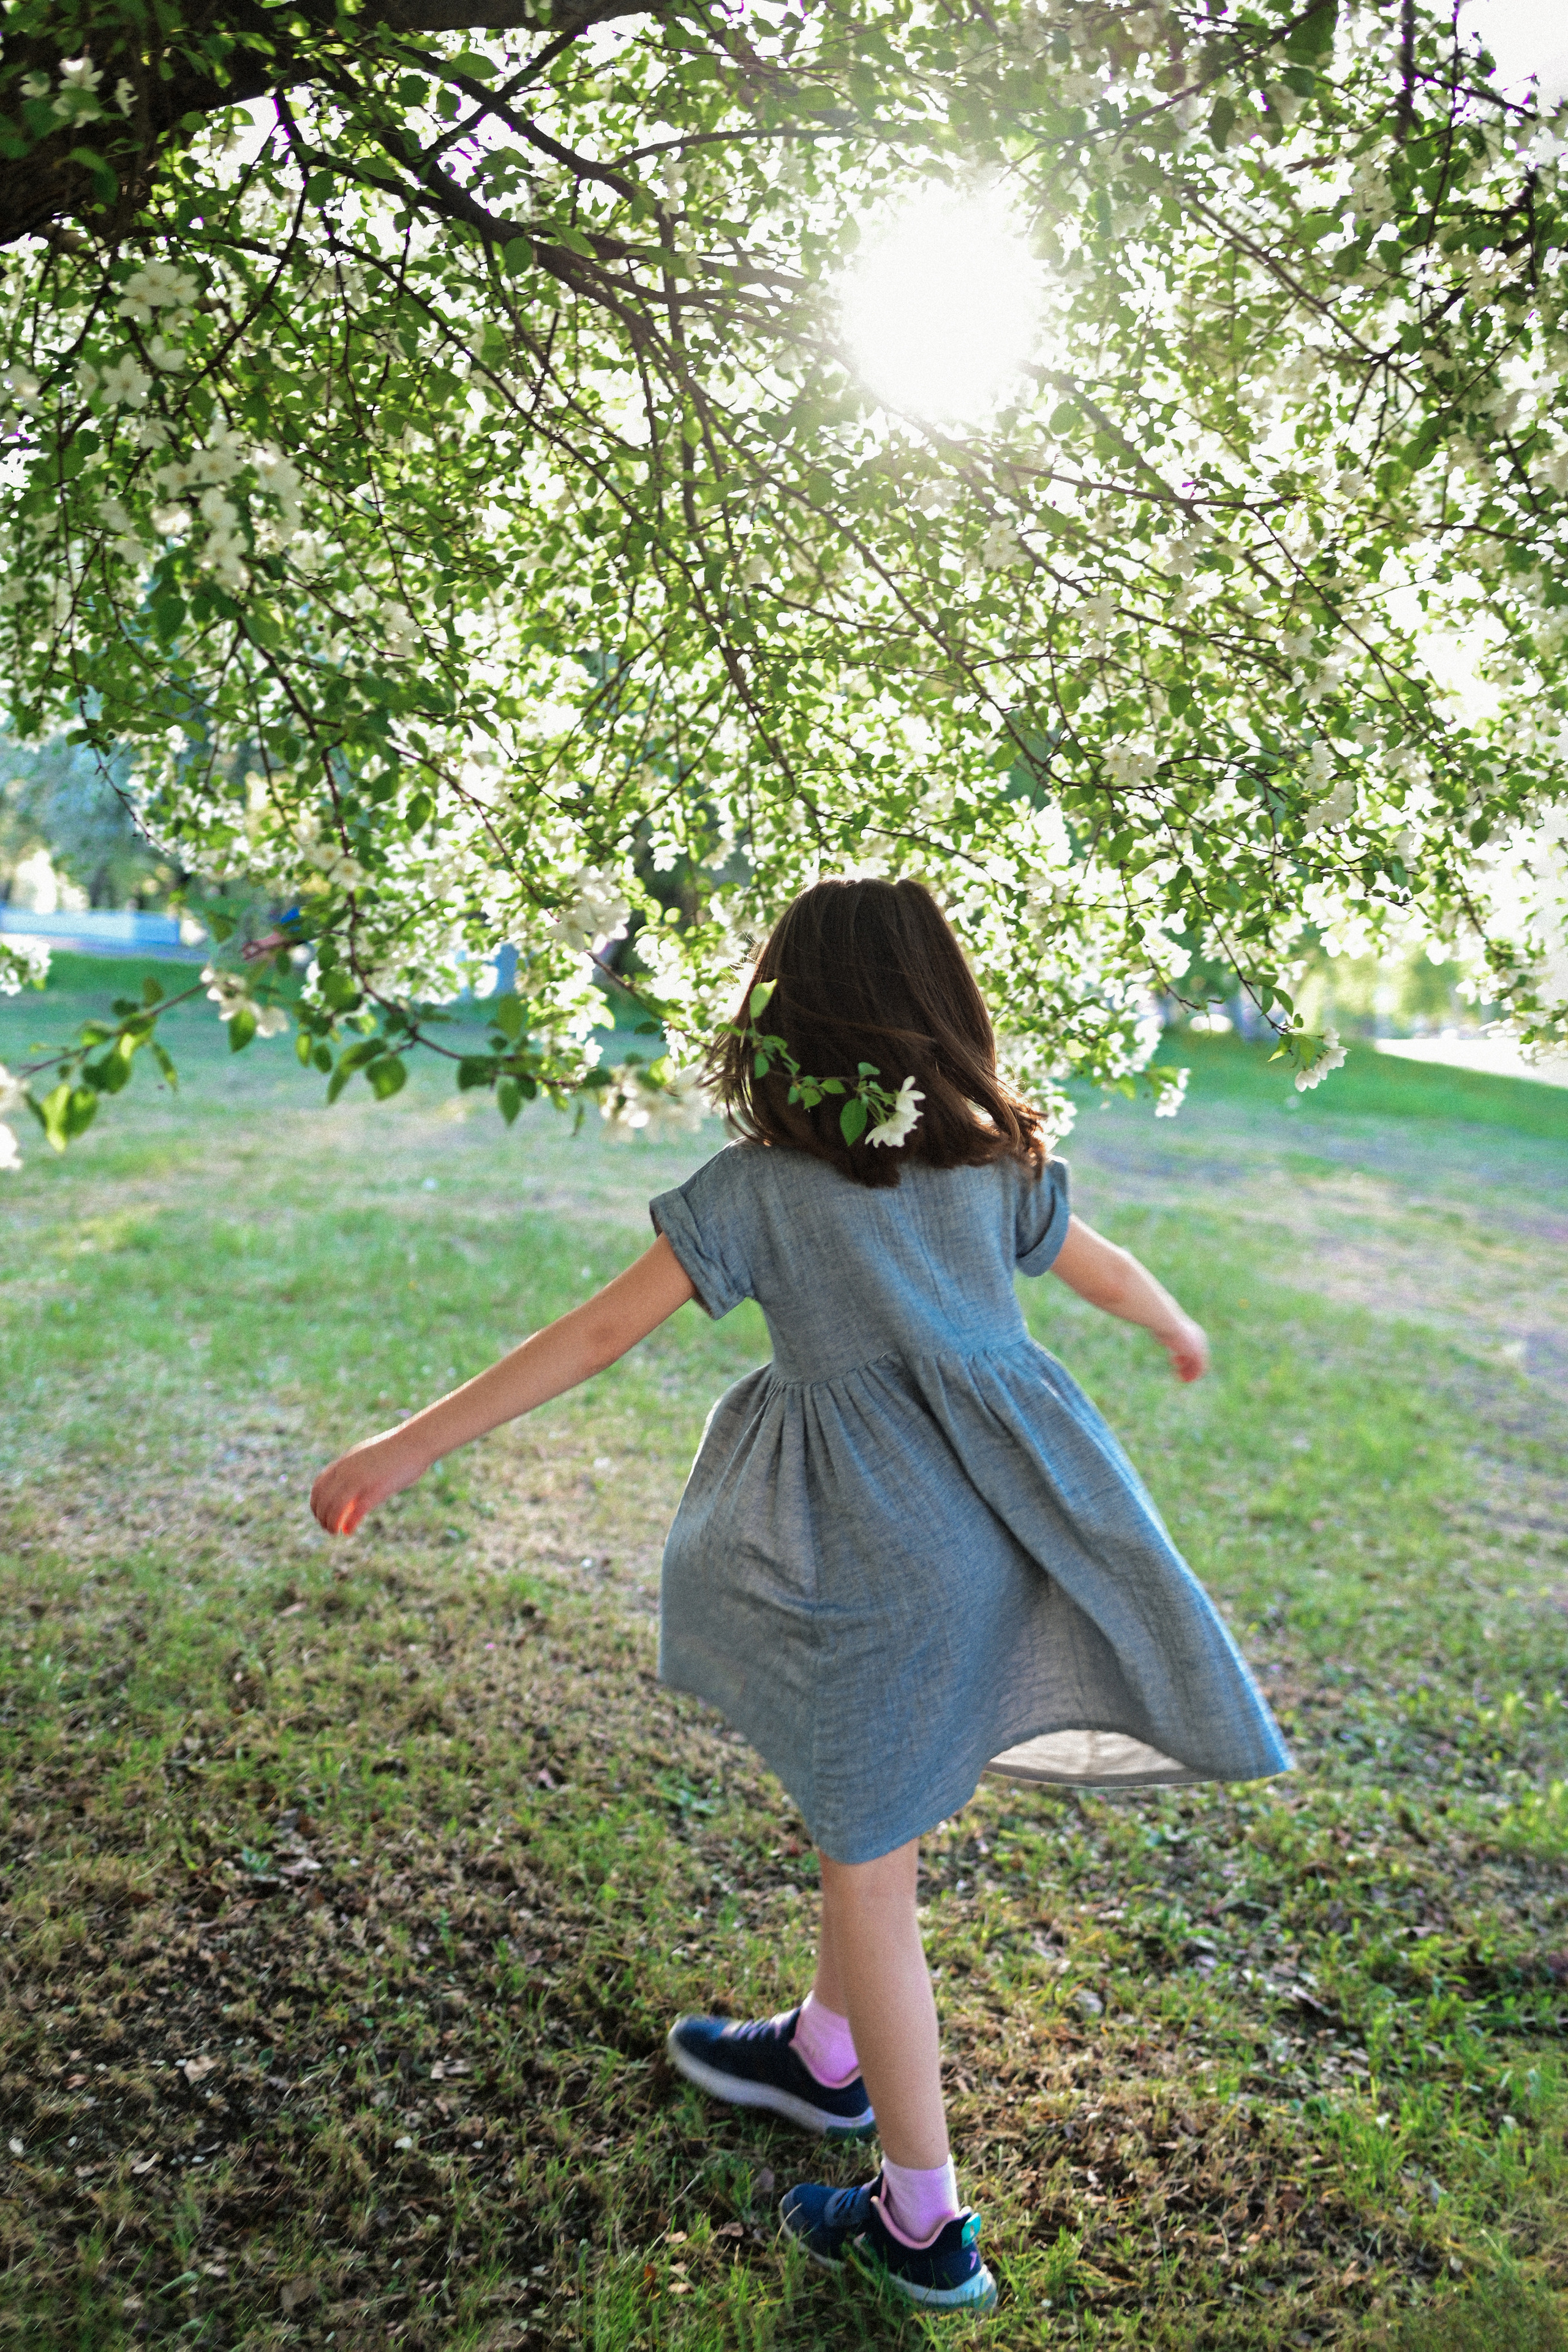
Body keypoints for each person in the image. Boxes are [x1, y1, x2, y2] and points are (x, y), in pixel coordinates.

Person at [310, 876, 1288, 2319]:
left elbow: (592, 1335)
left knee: (869, 1873)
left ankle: (920, 2222)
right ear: (944, 1019)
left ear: (782, 1021)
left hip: (864, 1570)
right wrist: (1175, 1324)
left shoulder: (756, 1192)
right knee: (863, 1816)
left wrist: (404, 1447)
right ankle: (822, 2054)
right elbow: (1108, 1270)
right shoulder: (996, 1168)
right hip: (988, 1539)